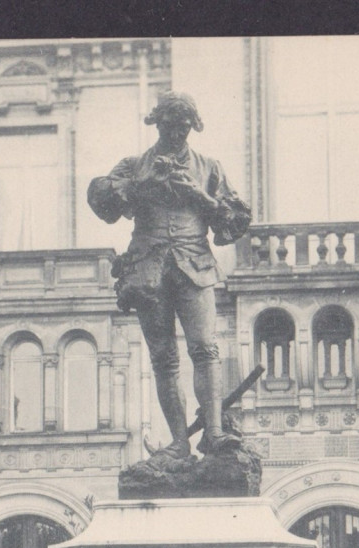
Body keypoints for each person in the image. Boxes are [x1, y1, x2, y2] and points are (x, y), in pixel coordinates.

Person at [88, 91, 251, 458]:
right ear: (156, 123)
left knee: (205, 348)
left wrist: (198, 195)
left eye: (184, 127)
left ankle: (214, 432)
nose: (177, 133)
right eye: (170, 125)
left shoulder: (209, 167)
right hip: (148, 270)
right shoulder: (133, 165)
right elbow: (103, 203)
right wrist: (144, 185)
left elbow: (236, 220)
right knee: (163, 357)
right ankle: (179, 442)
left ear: (191, 127)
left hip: (194, 264)